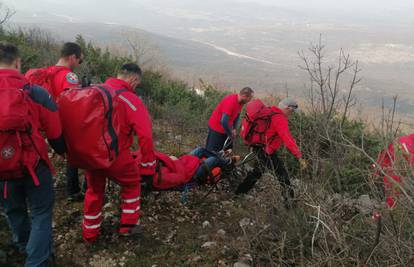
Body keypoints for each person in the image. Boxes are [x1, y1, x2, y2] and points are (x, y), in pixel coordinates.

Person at [0, 42, 66, 267]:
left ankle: (23, 246)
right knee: (41, 213)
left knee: (13, 210)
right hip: (34, 166)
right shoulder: (36, 93)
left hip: (2, 170)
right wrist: (63, 151)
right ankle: (37, 260)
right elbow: (55, 133)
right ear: (18, 62)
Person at [82, 63, 156, 243]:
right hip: (116, 156)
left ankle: (90, 234)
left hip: (92, 154)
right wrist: (148, 165)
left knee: (94, 191)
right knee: (132, 185)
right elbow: (145, 135)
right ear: (133, 79)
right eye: (137, 83)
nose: (136, 86)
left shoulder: (96, 91)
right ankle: (127, 227)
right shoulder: (131, 99)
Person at [26, 42, 84, 202]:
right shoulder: (68, 76)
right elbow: (73, 102)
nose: (79, 64)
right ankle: (73, 190)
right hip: (58, 124)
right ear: (72, 57)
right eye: (80, 60)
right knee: (72, 153)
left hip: (38, 124)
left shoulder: (45, 72)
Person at [236, 98, 307, 202]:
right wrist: (299, 157)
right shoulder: (280, 119)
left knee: (258, 172)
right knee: (282, 175)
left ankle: (239, 193)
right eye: (292, 111)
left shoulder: (270, 111)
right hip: (266, 151)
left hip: (260, 147)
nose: (292, 114)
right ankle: (289, 201)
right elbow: (288, 139)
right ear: (287, 108)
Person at [206, 87, 254, 152]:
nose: (249, 101)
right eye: (249, 99)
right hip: (217, 128)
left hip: (227, 129)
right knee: (212, 152)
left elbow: (237, 114)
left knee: (227, 151)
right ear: (244, 96)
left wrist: (234, 128)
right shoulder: (231, 101)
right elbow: (223, 121)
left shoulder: (241, 102)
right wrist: (230, 133)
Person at [374, 133, 414, 208]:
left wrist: (375, 170)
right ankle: (378, 216)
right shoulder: (406, 145)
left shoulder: (401, 140)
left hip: (386, 173)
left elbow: (383, 155)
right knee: (391, 203)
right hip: (392, 176)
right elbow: (407, 164)